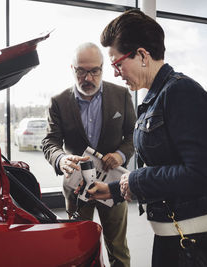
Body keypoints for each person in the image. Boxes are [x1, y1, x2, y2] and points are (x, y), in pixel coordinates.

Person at [87, 9, 207, 267]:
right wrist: (114, 190)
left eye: (117, 64)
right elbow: (165, 165)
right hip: (173, 234)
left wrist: (137, 179)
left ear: (142, 55)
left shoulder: (181, 92)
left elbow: (205, 174)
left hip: (194, 242)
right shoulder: (155, 97)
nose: (115, 73)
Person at [42, 42, 136, 267]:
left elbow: (134, 134)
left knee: (118, 247)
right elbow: (50, 142)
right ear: (72, 69)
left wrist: (121, 155)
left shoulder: (121, 95)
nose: (88, 77)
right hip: (76, 187)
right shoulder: (58, 101)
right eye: (81, 71)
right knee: (77, 248)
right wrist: (61, 158)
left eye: (94, 70)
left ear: (102, 68)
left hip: (113, 184)